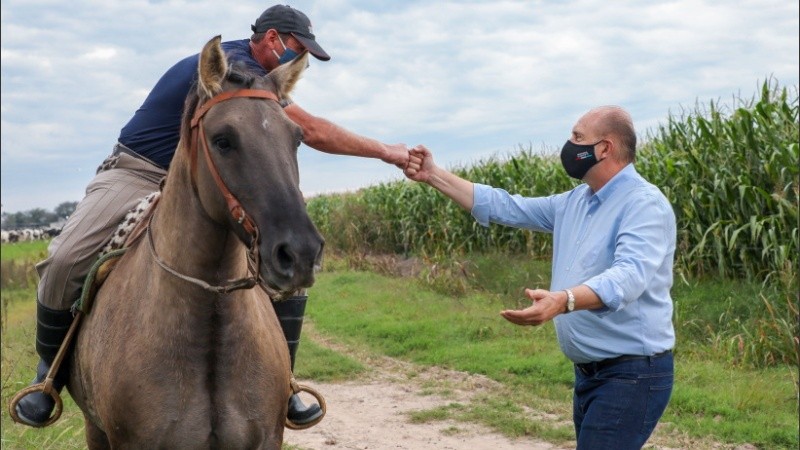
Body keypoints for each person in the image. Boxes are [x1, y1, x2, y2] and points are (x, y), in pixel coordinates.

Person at [16, 4, 410, 428]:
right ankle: (49, 375)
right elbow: (310, 130)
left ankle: (285, 383)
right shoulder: (228, 69)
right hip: (142, 169)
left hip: (210, 176)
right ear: (272, 39)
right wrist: (388, 152)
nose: (300, 60)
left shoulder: (262, 84)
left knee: (286, 250)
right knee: (65, 259)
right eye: (297, 48)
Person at [404, 106, 675, 450]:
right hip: (591, 372)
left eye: (577, 137)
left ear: (605, 148)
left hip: (632, 374)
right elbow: (507, 206)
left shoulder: (643, 204)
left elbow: (629, 277)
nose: (568, 145)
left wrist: (564, 300)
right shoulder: (576, 201)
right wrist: (433, 175)